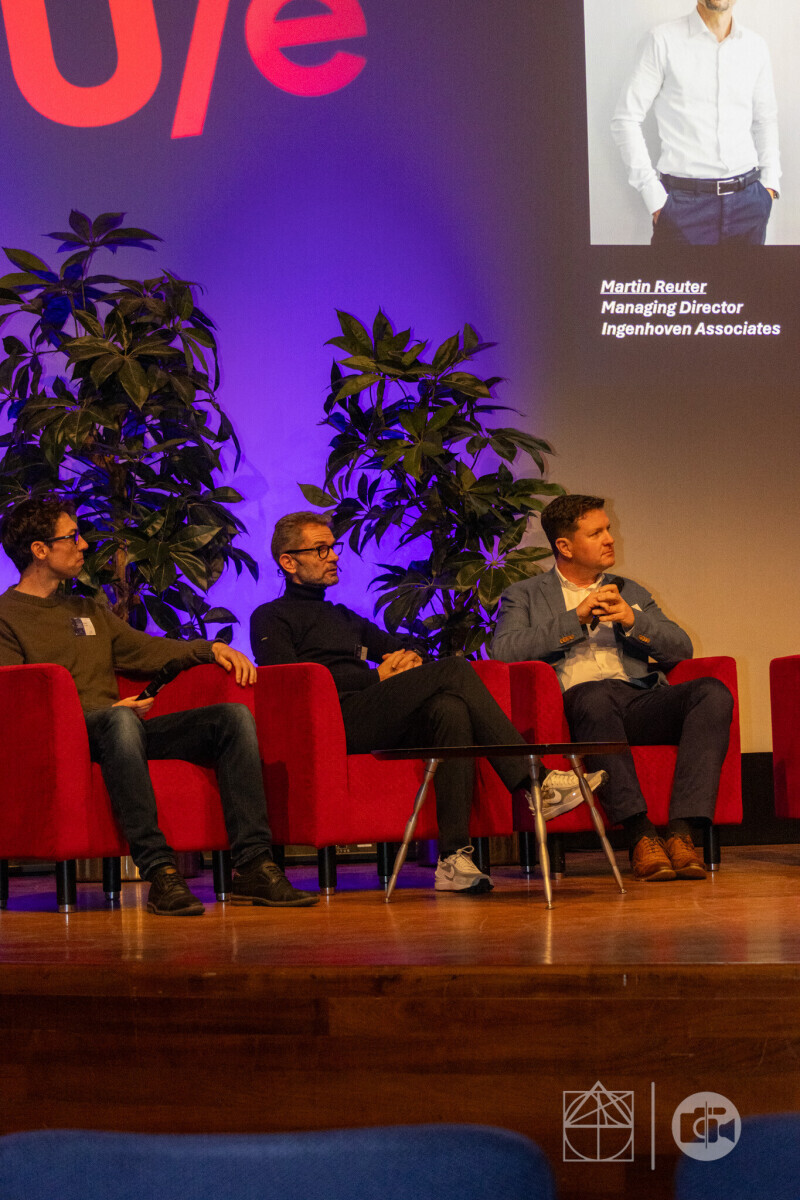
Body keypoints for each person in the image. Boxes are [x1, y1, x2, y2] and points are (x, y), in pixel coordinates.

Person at [249, 511, 606, 895]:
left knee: (449, 710)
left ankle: (453, 859)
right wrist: (376, 676)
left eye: (333, 547)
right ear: (289, 562)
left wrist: (409, 658)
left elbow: (405, 644)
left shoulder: (343, 617)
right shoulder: (269, 617)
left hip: (372, 713)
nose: (334, 556)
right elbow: (289, 682)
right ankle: (534, 784)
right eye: (321, 549)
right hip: (331, 722)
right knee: (454, 670)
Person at [0, 495, 319, 914]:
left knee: (232, 718)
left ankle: (254, 864)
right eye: (72, 537)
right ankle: (161, 872)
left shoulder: (87, 608)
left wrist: (209, 649)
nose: (84, 545)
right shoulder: (7, 615)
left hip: (120, 729)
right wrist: (98, 715)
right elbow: (17, 701)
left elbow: (146, 649)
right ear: (40, 550)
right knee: (120, 723)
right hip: (65, 740)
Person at [490, 494, 734, 882]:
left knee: (712, 692)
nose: (609, 539)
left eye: (608, 529)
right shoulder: (526, 594)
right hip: (580, 706)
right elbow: (504, 650)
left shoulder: (630, 591)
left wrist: (633, 621)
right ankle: (640, 836)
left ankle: (682, 833)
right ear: (564, 546)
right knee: (594, 694)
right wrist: (574, 619)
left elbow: (681, 648)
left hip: (639, 699)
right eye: (597, 533)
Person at [611, 0, 780, 245]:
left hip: (749, 204)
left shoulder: (755, 46)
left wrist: (770, 186)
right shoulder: (661, 40)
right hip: (684, 210)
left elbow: (765, 120)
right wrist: (655, 199)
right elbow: (625, 119)